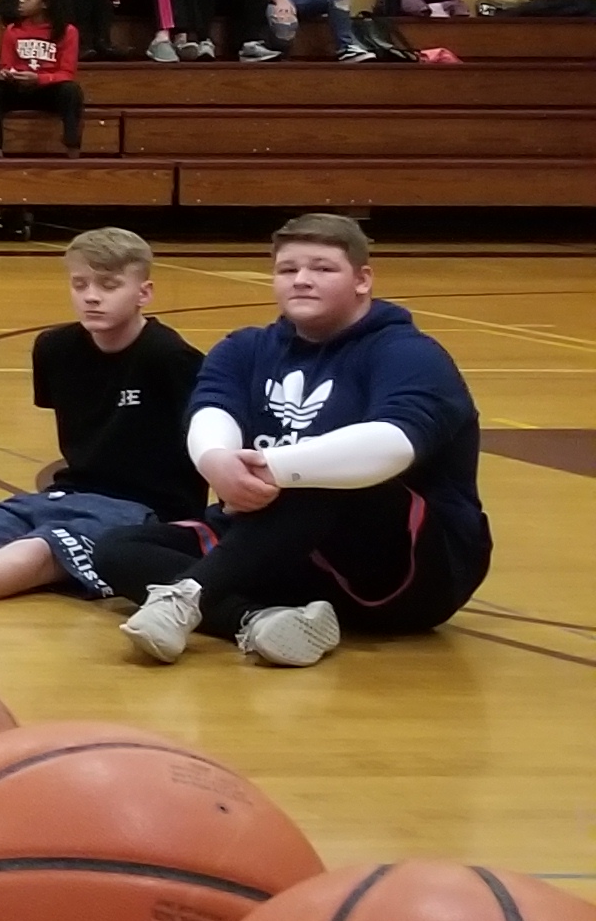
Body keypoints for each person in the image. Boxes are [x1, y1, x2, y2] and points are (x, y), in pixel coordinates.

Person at [92, 215, 489, 669]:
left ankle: (186, 600)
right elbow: (211, 409)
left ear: (363, 280)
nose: (301, 281)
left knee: (321, 475)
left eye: (322, 268)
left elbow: (392, 444)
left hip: (409, 573)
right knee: (117, 550)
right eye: (287, 270)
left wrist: (274, 467)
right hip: (284, 552)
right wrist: (217, 461)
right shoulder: (246, 348)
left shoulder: (409, 354)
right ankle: (260, 623)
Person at [0, 228, 204, 609]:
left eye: (109, 285)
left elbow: (207, 445)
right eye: (80, 284)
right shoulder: (55, 348)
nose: (91, 296)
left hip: (145, 511)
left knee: (38, 552)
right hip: (69, 493)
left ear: (143, 293)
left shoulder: (170, 357)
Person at [0, 0, 85, 160]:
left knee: (72, 90)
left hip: (48, 91)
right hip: (18, 88)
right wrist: (6, 74)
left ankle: (72, 146)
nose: (21, 1)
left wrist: (39, 79)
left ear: (45, 3)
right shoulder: (13, 30)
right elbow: (5, 65)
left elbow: (67, 73)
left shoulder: (67, 32)